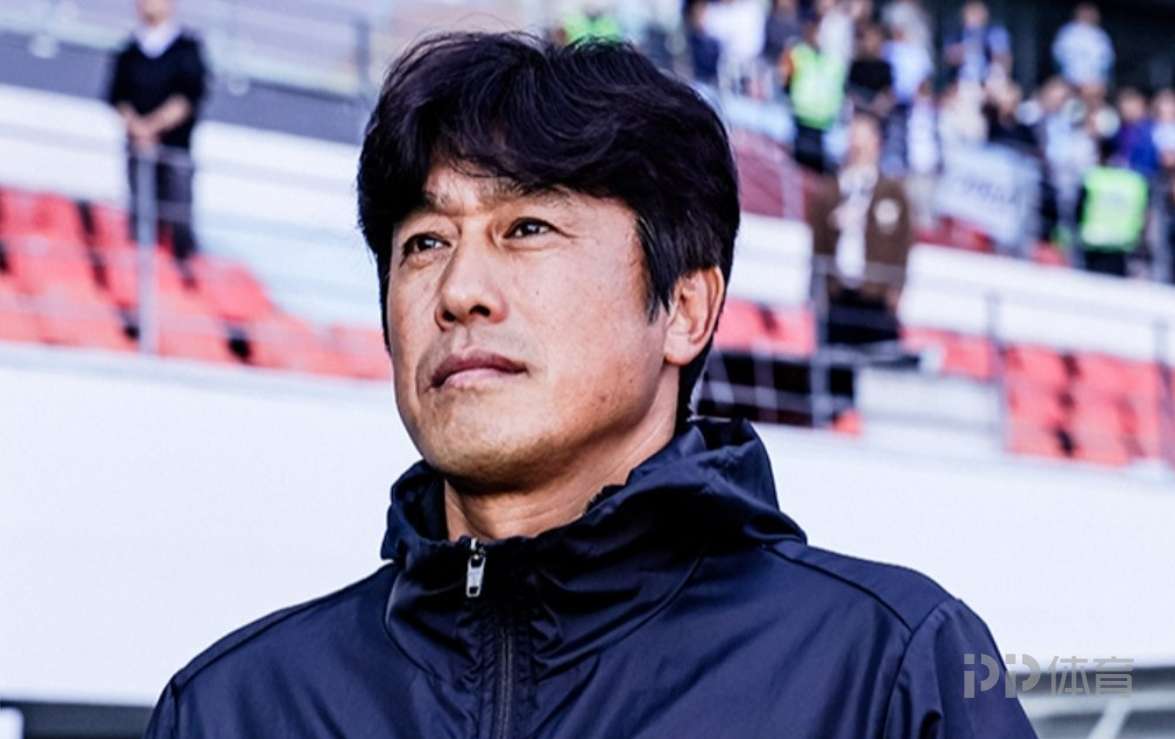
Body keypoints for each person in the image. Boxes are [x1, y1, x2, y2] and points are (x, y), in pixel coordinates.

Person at [142, 33, 1036, 738]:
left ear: (684, 308)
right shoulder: (235, 708)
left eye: (527, 227)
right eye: (425, 242)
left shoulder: (880, 675)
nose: (459, 290)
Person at [106, 0, 207, 270]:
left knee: (177, 215)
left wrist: (152, 127)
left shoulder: (186, 48)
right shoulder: (129, 51)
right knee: (141, 216)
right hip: (138, 149)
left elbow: (189, 97)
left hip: (174, 149)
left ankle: (182, 272)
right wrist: (137, 129)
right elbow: (117, 96)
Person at [809, 112, 914, 348]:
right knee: (836, 359)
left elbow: (904, 244)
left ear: (876, 142)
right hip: (839, 295)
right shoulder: (830, 192)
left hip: (877, 297)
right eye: (853, 137)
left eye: (863, 138)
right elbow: (818, 245)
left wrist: (896, 288)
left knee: (878, 358)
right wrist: (818, 290)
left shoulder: (893, 192)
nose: (857, 145)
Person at [943, 0, 1011, 85]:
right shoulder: (957, 35)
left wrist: (985, 47)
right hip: (963, 82)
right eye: (971, 11)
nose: (974, 16)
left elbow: (1004, 60)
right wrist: (968, 47)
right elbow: (949, 58)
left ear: (985, 13)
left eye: (977, 11)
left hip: (990, 80)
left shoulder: (995, 33)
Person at [1052, 3, 1114, 90]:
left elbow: (1106, 60)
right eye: (1085, 13)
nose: (1087, 15)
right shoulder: (1067, 32)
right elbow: (1058, 56)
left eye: (1090, 13)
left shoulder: (1100, 35)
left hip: (1094, 82)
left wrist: (1098, 80)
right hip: (1069, 80)